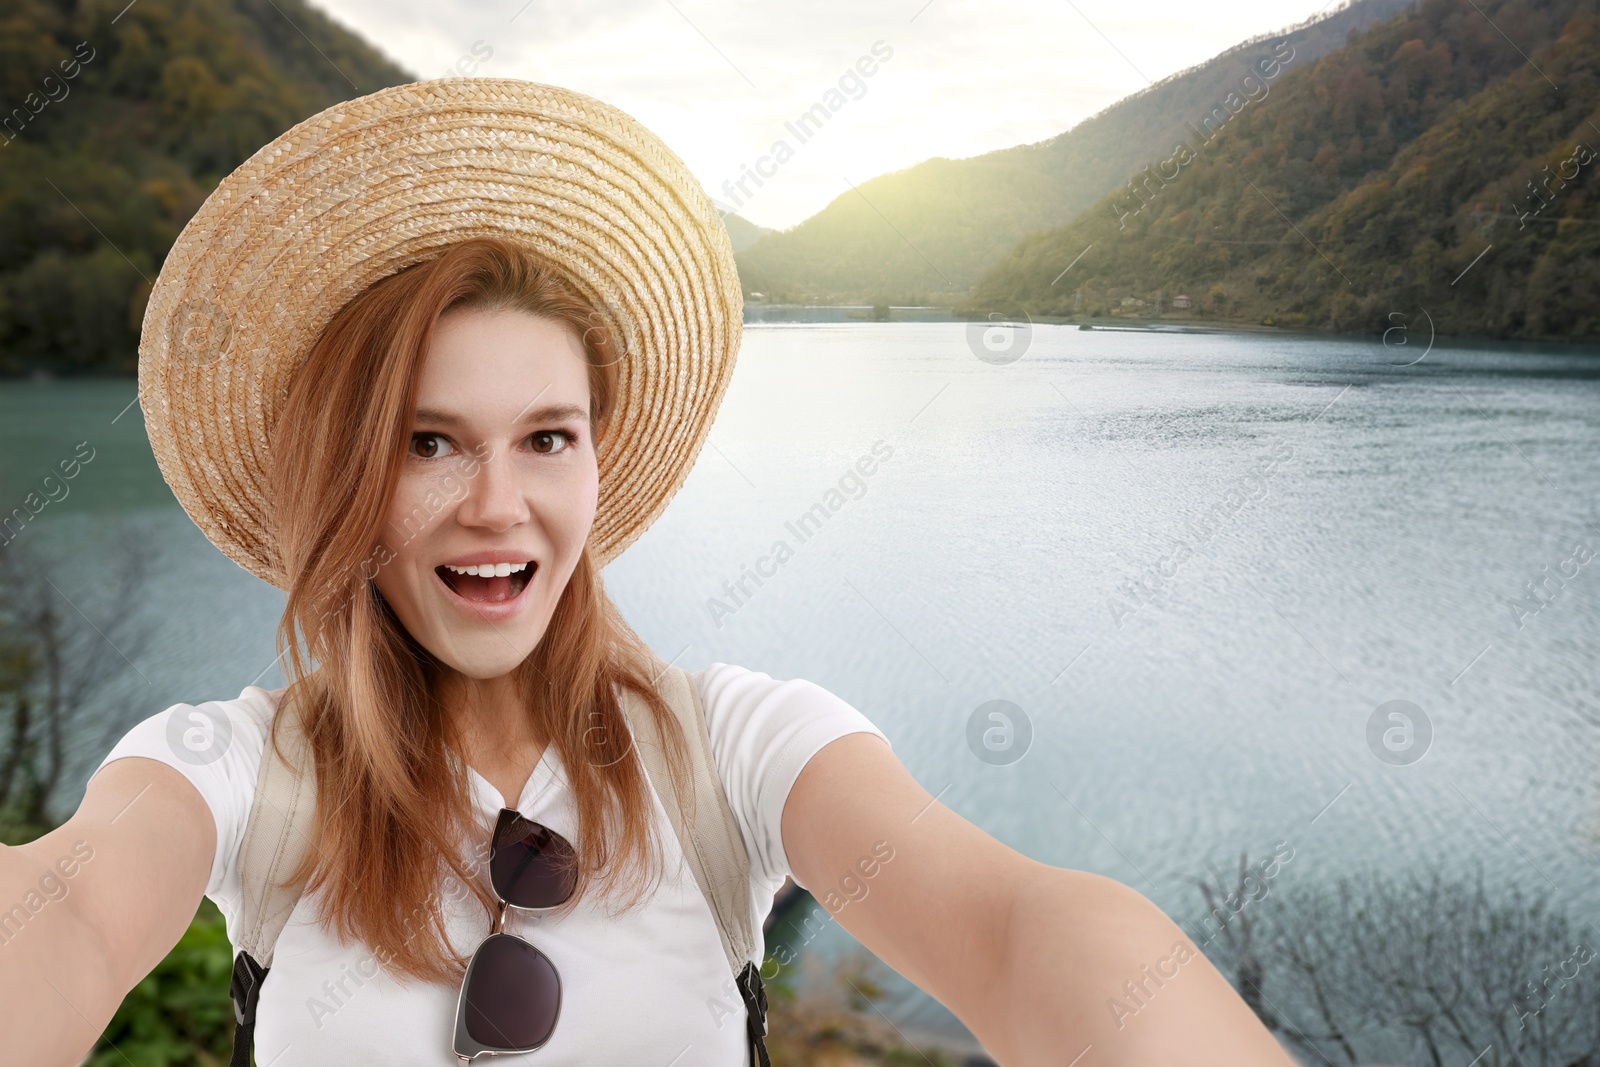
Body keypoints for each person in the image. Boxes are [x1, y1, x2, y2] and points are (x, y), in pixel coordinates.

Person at [0, 79, 1294, 1066]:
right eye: (427, 443)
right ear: (343, 472)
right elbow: (64, 912)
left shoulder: (734, 748)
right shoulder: (238, 772)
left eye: (546, 439)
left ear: (596, 462)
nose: (497, 505)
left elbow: (1016, 933)